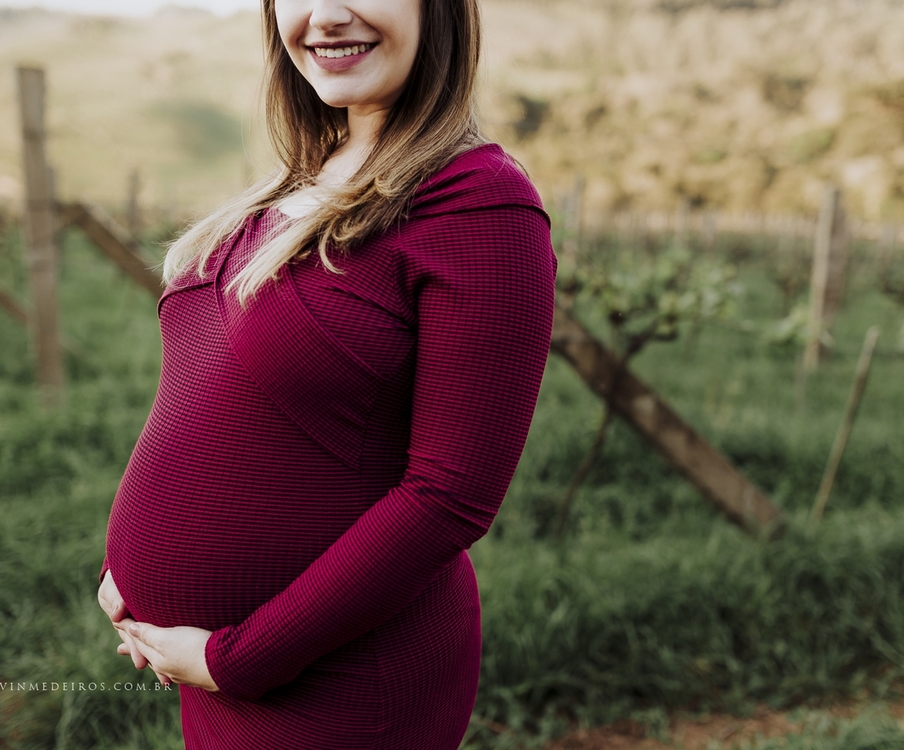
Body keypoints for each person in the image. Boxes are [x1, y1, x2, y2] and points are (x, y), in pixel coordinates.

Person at [93, 0, 556, 745]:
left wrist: (237, 657)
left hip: (334, 680)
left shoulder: (478, 207)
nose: (326, 14)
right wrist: (132, 568)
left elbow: (451, 496)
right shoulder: (297, 182)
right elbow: (206, 397)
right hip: (213, 671)